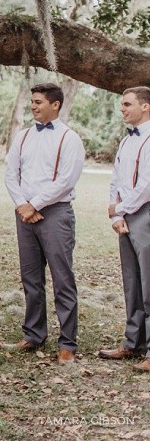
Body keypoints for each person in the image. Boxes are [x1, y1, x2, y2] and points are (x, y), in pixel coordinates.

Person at [3, 82, 84, 365]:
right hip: (24, 214)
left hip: (56, 214)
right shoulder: (23, 136)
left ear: (55, 104)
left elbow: (66, 180)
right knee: (31, 279)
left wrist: (35, 205)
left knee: (62, 280)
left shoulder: (69, 139)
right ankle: (34, 334)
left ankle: (67, 343)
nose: (33, 106)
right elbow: (11, 173)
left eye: (38, 102)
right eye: (33, 102)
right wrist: (23, 205)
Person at [99, 86, 150, 372]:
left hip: (145, 213)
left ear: (145, 106)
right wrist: (114, 215)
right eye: (121, 104)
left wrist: (120, 208)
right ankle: (133, 343)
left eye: (127, 104)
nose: (122, 109)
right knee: (132, 283)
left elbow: (146, 186)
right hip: (125, 216)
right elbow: (116, 178)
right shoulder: (125, 141)